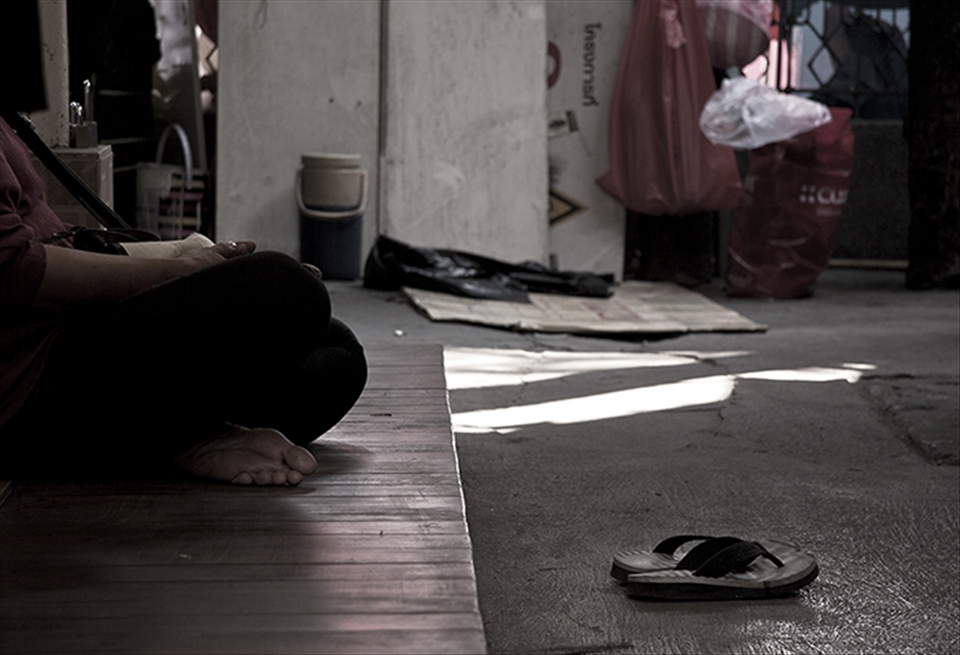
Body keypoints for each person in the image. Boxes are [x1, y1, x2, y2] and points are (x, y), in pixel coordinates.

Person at [0, 115, 367, 485]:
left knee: (337, 357)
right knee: (287, 290)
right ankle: (185, 438)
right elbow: (13, 269)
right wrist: (182, 270)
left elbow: (49, 241)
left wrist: (188, 263)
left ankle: (171, 433)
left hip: (64, 337)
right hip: (30, 384)